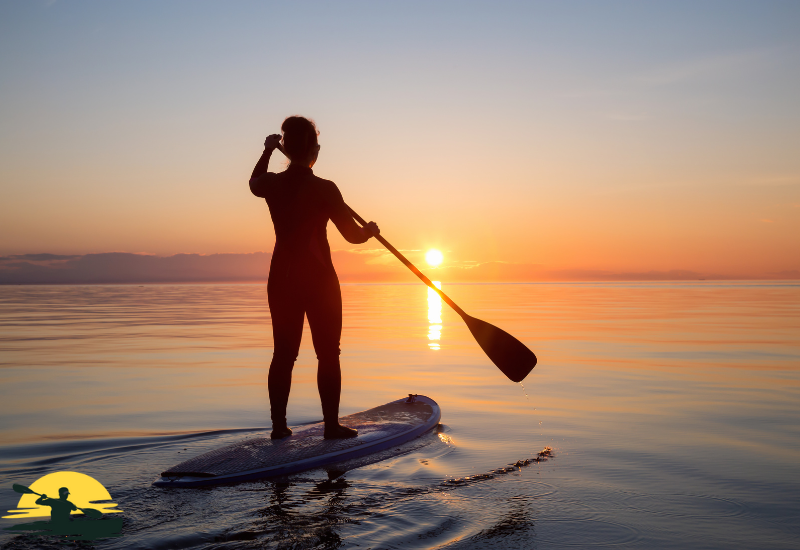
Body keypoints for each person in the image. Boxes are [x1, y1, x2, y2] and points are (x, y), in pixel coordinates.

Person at [249, 116, 380, 440]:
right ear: (311, 150)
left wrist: (266, 151)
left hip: (281, 279)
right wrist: (370, 232)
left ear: (286, 148)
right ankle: (331, 426)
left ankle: (279, 428)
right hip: (319, 282)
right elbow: (351, 235)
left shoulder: (273, 185)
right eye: (317, 145)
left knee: (283, 354)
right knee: (328, 353)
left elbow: (254, 182)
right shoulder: (325, 189)